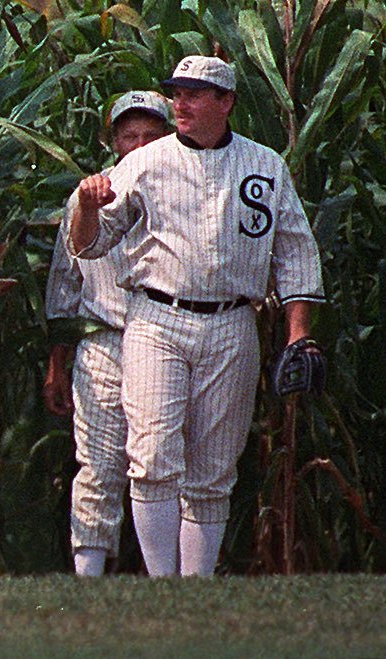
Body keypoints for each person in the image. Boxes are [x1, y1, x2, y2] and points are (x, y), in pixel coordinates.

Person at [70, 56, 321, 577]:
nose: (180, 104)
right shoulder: (144, 162)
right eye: (177, 94)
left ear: (225, 102)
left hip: (233, 322)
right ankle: (165, 588)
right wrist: (89, 208)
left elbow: (295, 252)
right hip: (157, 318)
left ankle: (196, 588)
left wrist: (299, 336)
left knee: (212, 470)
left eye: (194, 94)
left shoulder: (265, 164)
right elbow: (90, 246)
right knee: (153, 457)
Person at [44, 90, 174, 576]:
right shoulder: (86, 197)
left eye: (150, 134)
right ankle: (89, 575)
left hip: (167, 336)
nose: (139, 144)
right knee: (97, 462)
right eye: (129, 134)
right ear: (114, 139)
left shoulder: (182, 191)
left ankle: (169, 575)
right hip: (103, 340)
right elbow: (64, 285)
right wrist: (57, 363)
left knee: (161, 463)